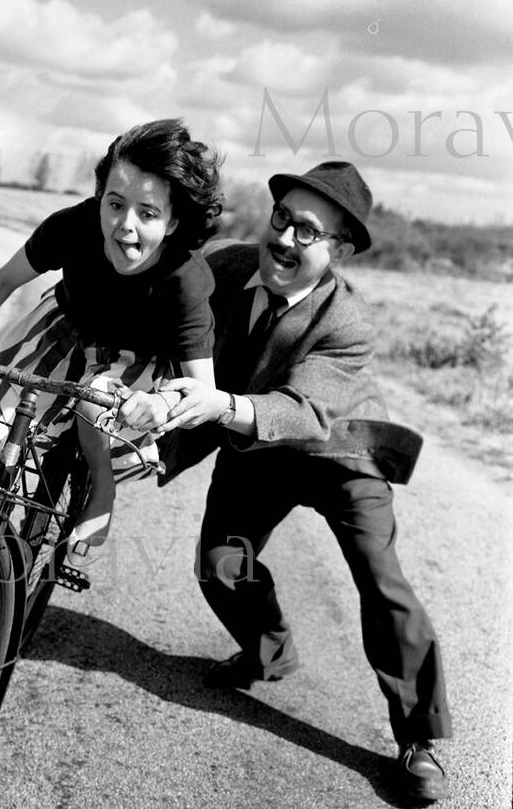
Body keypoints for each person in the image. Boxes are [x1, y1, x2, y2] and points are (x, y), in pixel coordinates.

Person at [118, 160, 451, 801]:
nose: (285, 240)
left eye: (308, 232)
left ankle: (420, 737)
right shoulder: (228, 267)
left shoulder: (349, 325)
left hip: (339, 450)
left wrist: (218, 407)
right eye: (281, 220)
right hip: (256, 446)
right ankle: (268, 652)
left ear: (340, 250)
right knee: (220, 565)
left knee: (381, 580)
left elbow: (301, 412)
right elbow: (173, 324)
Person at [0, 118, 222, 554]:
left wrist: (161, 404)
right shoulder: (74, 225)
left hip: (137, 360)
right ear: (100, 197)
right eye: (115, 204)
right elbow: (1, 281)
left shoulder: (186, 280)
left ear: (173, 223)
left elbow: (203, 390)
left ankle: (102, 488)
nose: (125, 225)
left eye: (148, 213)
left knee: (94, 397)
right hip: (68, 329)